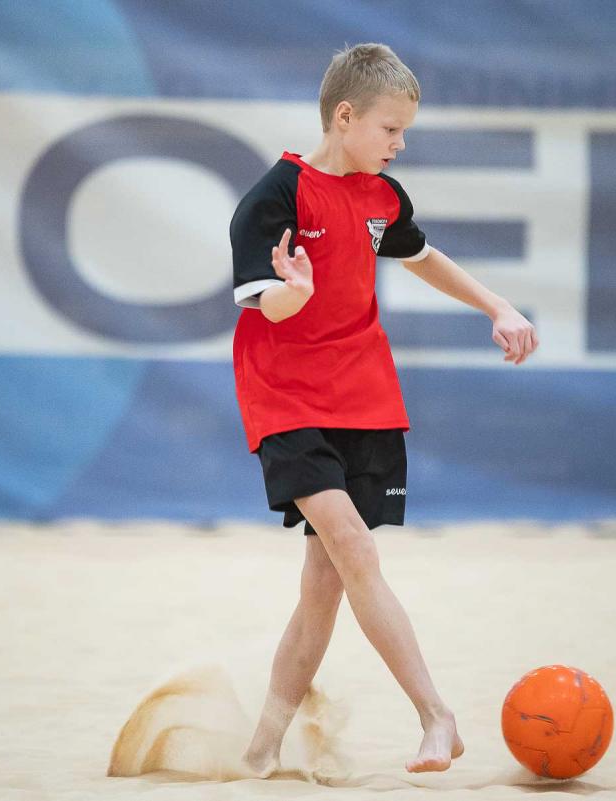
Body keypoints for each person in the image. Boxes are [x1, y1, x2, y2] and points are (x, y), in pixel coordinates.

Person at [229, 43, 537, 773]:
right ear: (345, 117)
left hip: (364, 394)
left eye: (405, 132)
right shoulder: (274, 198)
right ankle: (437, 716)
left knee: (324, 582)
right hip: (285, 395)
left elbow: (421, 255)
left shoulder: (382, 196)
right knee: (353, 545)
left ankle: (262, 748)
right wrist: (295, 292)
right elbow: (261, 304)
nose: (400, 144)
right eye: (390, 129)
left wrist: (496, 304)